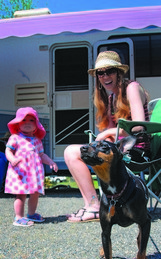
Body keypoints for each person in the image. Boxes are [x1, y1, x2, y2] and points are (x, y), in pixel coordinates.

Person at [64, 50, 150, 222]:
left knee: (73, 152)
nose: (105, 76)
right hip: (119, 151)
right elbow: (112, 137)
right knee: (71, 152)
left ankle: (95, 207)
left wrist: (107, 133)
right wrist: (100, 141)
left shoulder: (132, 88)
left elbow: (140, 126)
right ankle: (92, 205)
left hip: (135, 152)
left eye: (109, 71)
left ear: (119, 72)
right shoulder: (111, 99)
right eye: (100, 73)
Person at [5, 107, 58, 227]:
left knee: (35, 193)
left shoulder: (37, 140)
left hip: (34, 173)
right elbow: (8, 150)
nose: (27, 123)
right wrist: (12, 159)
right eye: (24, 120)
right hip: (20, 172)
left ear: (37, 125)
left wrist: (50, 162)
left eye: (31, 120)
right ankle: (18, 217)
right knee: (20, 194)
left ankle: (31, 214)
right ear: (18, 124)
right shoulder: (15, 138)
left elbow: (41, 154)